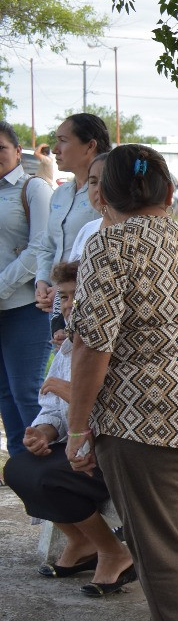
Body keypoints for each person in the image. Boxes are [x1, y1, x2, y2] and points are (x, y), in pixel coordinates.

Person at [66, 145, 178, 621]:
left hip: (139, 417)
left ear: (104, 196)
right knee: (163, 535)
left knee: (158, 542)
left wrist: (78, 427)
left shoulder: (111, 244)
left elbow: (92, 347)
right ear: (168, 193)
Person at [4, 259, 130, 590]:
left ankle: (112, 551)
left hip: (109, 454)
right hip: (75, 446)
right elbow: (52, 409)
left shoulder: (114, 343)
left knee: (49, 478)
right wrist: (42, 434)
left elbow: (113, 410)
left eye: (77, 295)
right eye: (64, 297)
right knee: (19, 467)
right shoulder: (68, 345)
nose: (69, 304)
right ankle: (81, 540)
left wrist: (69, 391)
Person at [0, 121, 54, 459]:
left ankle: (45, 472)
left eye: (1, 149)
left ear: (17, 151)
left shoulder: (33, 188)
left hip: (24, 308)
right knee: (4, 394)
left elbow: (40, 250)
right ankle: (23, 471)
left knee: (27, 394)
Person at [34, 113, 111, 315]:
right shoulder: (60, 193)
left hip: (91, 303)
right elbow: (48, 245)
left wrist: (62, 288)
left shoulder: (108, 196)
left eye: (63, 141)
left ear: (90, 146)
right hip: (59, 302)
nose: (55, 149)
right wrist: (42, 282)